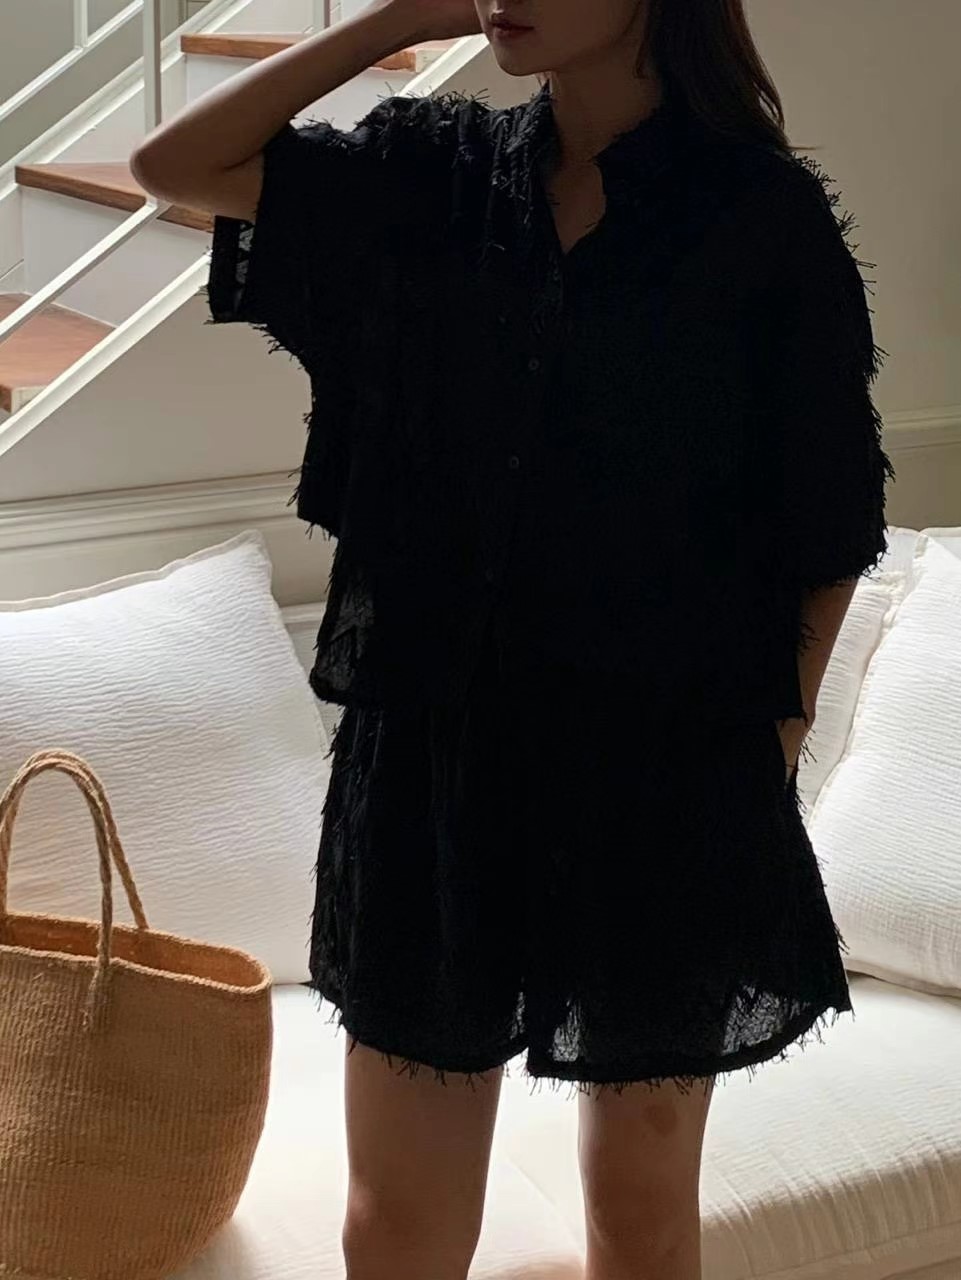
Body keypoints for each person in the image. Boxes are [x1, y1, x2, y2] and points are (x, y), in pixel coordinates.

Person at [132, 1, 895, 1276]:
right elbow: (174, 164)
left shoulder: (760, 218)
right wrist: (397, 16)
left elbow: (826, 523)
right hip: (432, 767)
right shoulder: (430, 174)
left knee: (640, 1212)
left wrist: (772, 744)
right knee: (396, 1221)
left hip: (663, 765)